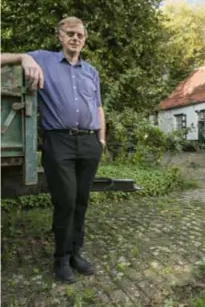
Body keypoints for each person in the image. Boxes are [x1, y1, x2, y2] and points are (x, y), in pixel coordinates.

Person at [1, 17, 106, 284]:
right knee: (65, 202)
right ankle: (60, 258)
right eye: (70, 34)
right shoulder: (43, 60)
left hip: (89, 143)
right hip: (59, 142)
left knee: (81, 201)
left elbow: (98, 107)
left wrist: (101, 140)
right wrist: (24, 58)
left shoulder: (91, 72)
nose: (75, 38)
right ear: (60, 36)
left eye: (80, 35)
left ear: (84, 38)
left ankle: (75, 254)